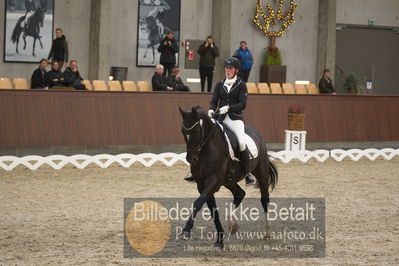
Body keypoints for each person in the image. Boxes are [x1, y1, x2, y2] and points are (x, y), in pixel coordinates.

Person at [184, 57, 255, 185]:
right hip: (220, 118)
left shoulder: (241, 85)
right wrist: (211, 109)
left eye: (230, 68)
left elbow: (242, 104)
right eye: (226, 68)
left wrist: (229, 108)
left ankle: (248, 173)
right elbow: (213, 101)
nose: (228, 70)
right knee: (203, 138)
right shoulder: (219, 84)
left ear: (236, 70)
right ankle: (195, 171)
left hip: (235, 118)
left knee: (241, 142)